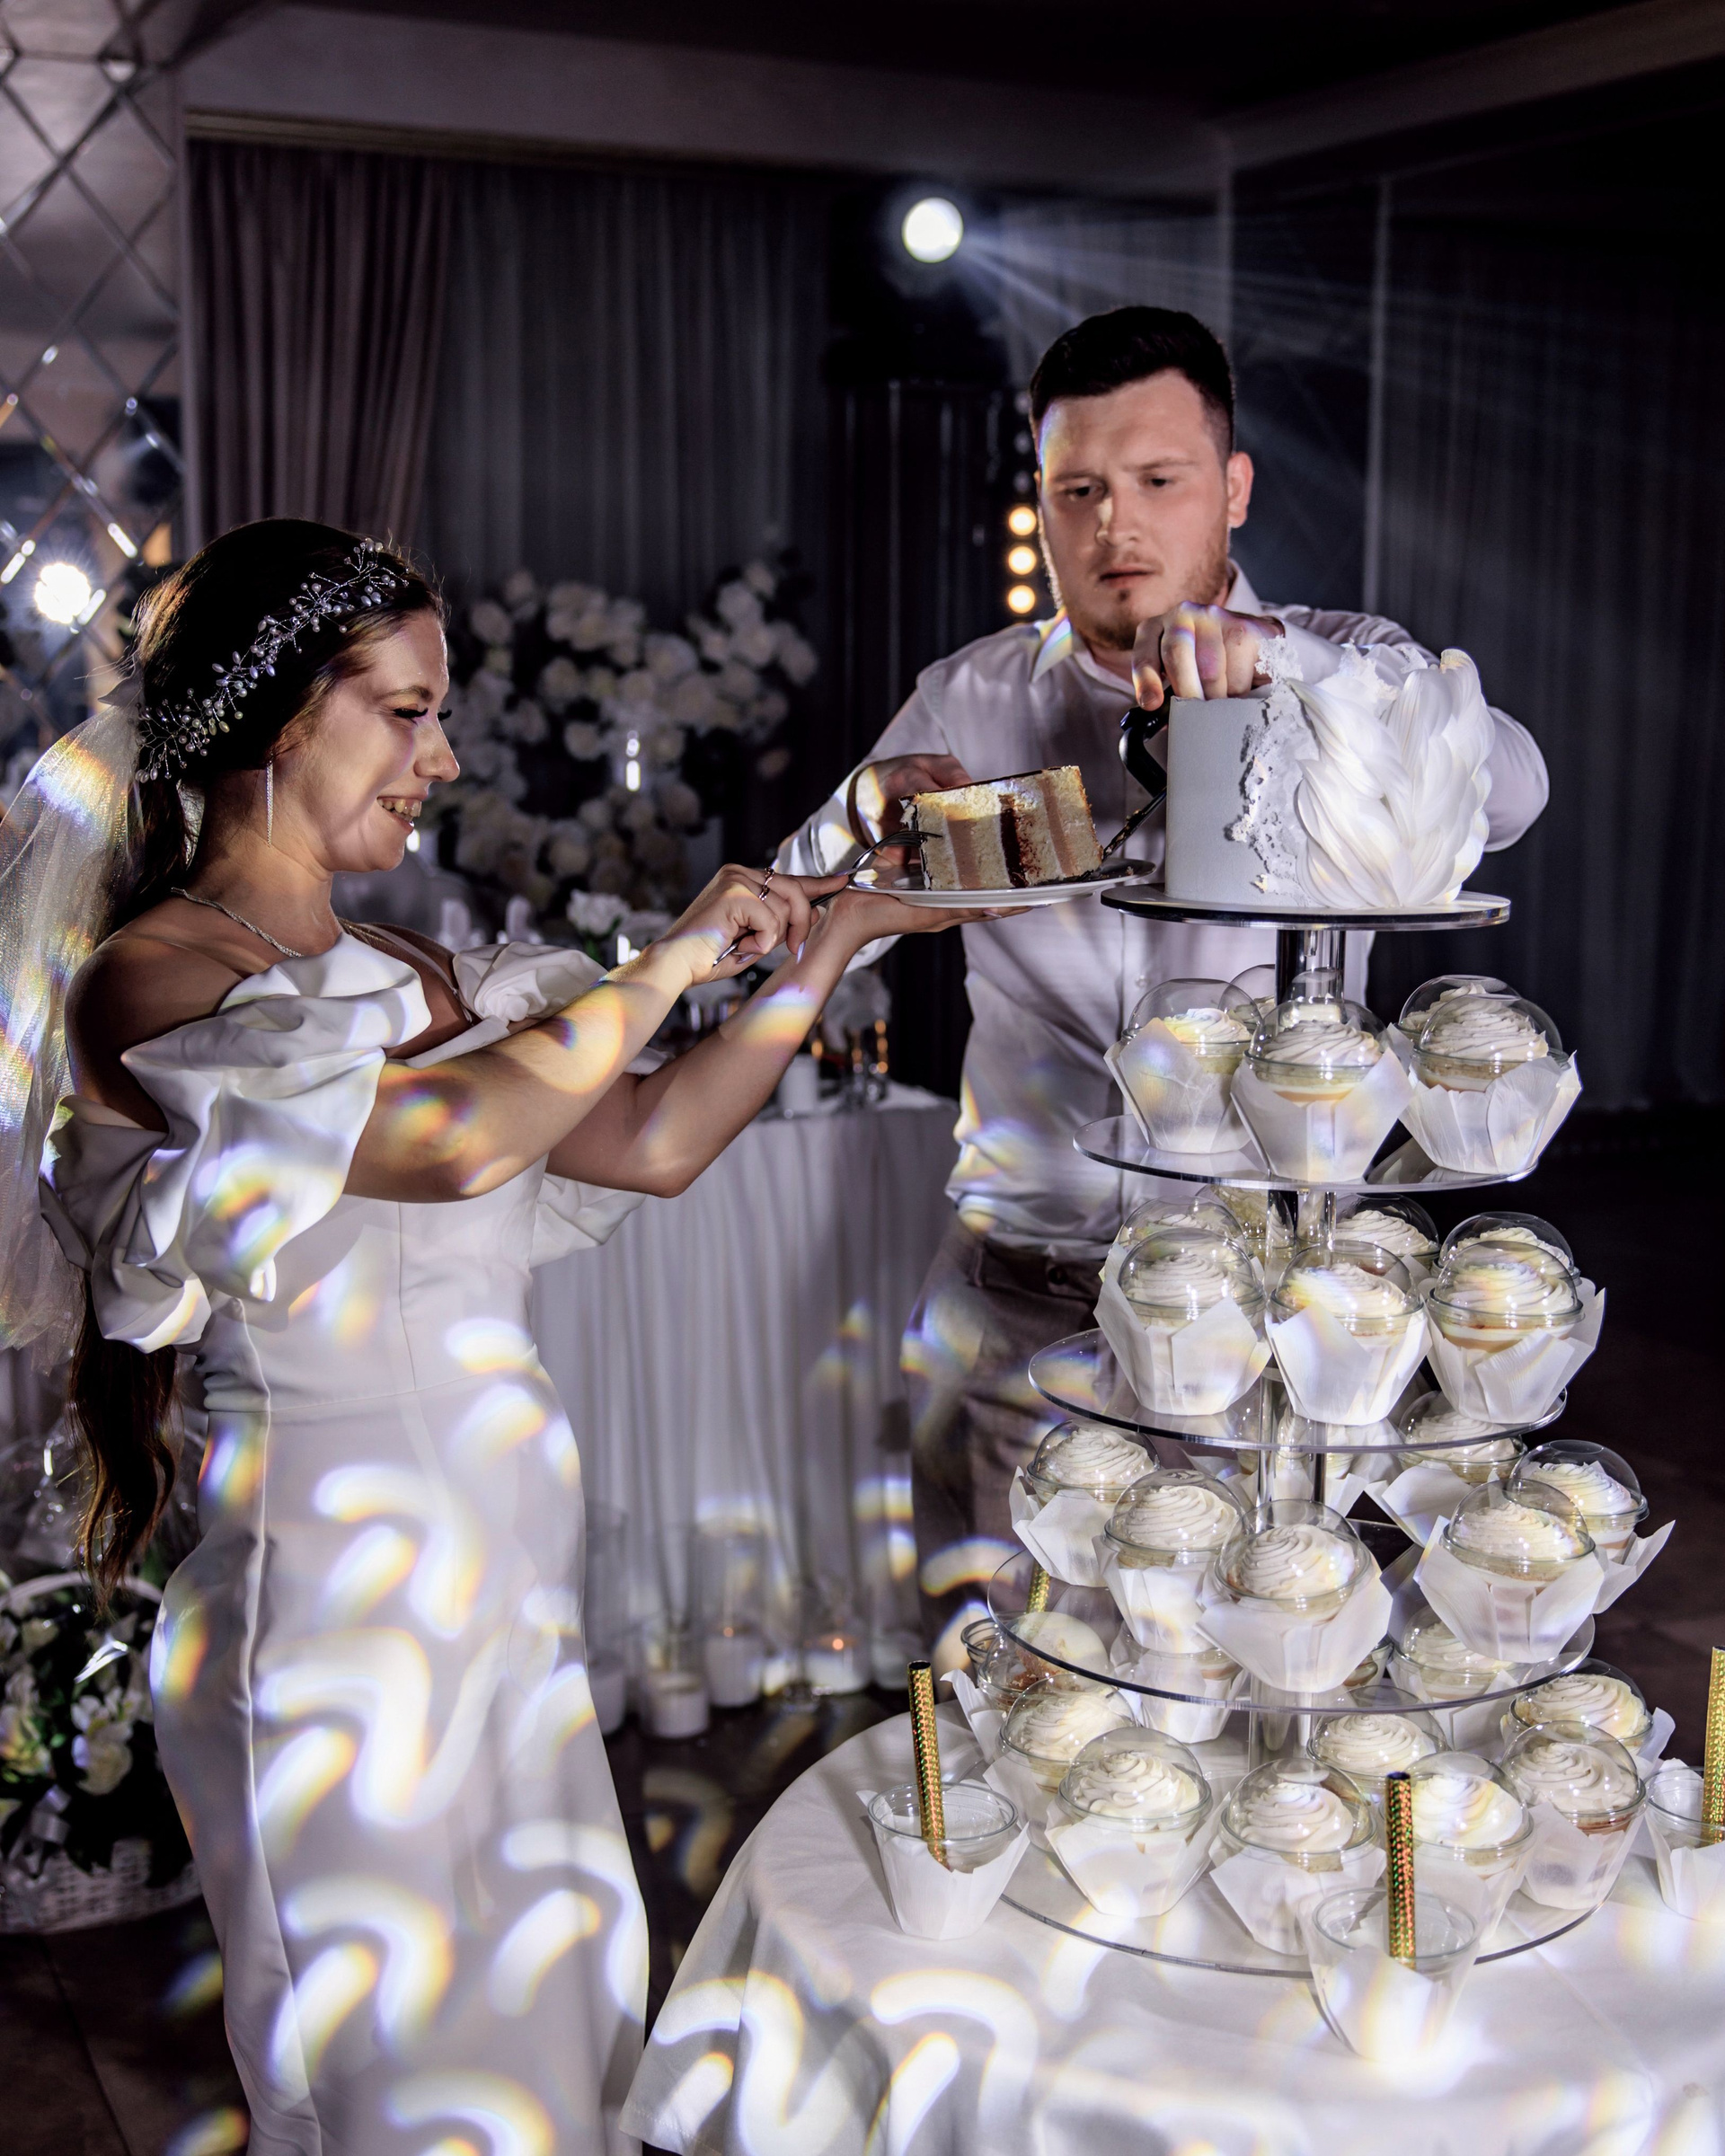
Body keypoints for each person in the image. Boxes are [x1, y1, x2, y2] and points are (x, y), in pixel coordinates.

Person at [0, 518, 964, 2156]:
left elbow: (653, 1138)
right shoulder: (150, 984)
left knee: (548, 2036)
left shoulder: (412, 967)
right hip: (338, 1631)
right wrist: (674, 952)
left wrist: (841, 935)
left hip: (504, 1601)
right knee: (392, 2079)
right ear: (279, 717)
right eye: (407, 711)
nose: (442, 759)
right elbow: (447, 1144)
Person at [777, 306, 1551, 1658]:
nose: (1114, 525)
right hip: (1021, 1301)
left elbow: (1517, 789)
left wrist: (1286, 673)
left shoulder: (1350, 662)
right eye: (1078, 489)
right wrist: (858, 809)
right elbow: (796, 916)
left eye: (1158, 479)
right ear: (1042, 502)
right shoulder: (971, 696)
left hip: (1267, 1318)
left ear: (1233, 488)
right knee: (999, 1683)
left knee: (1236, 1694)